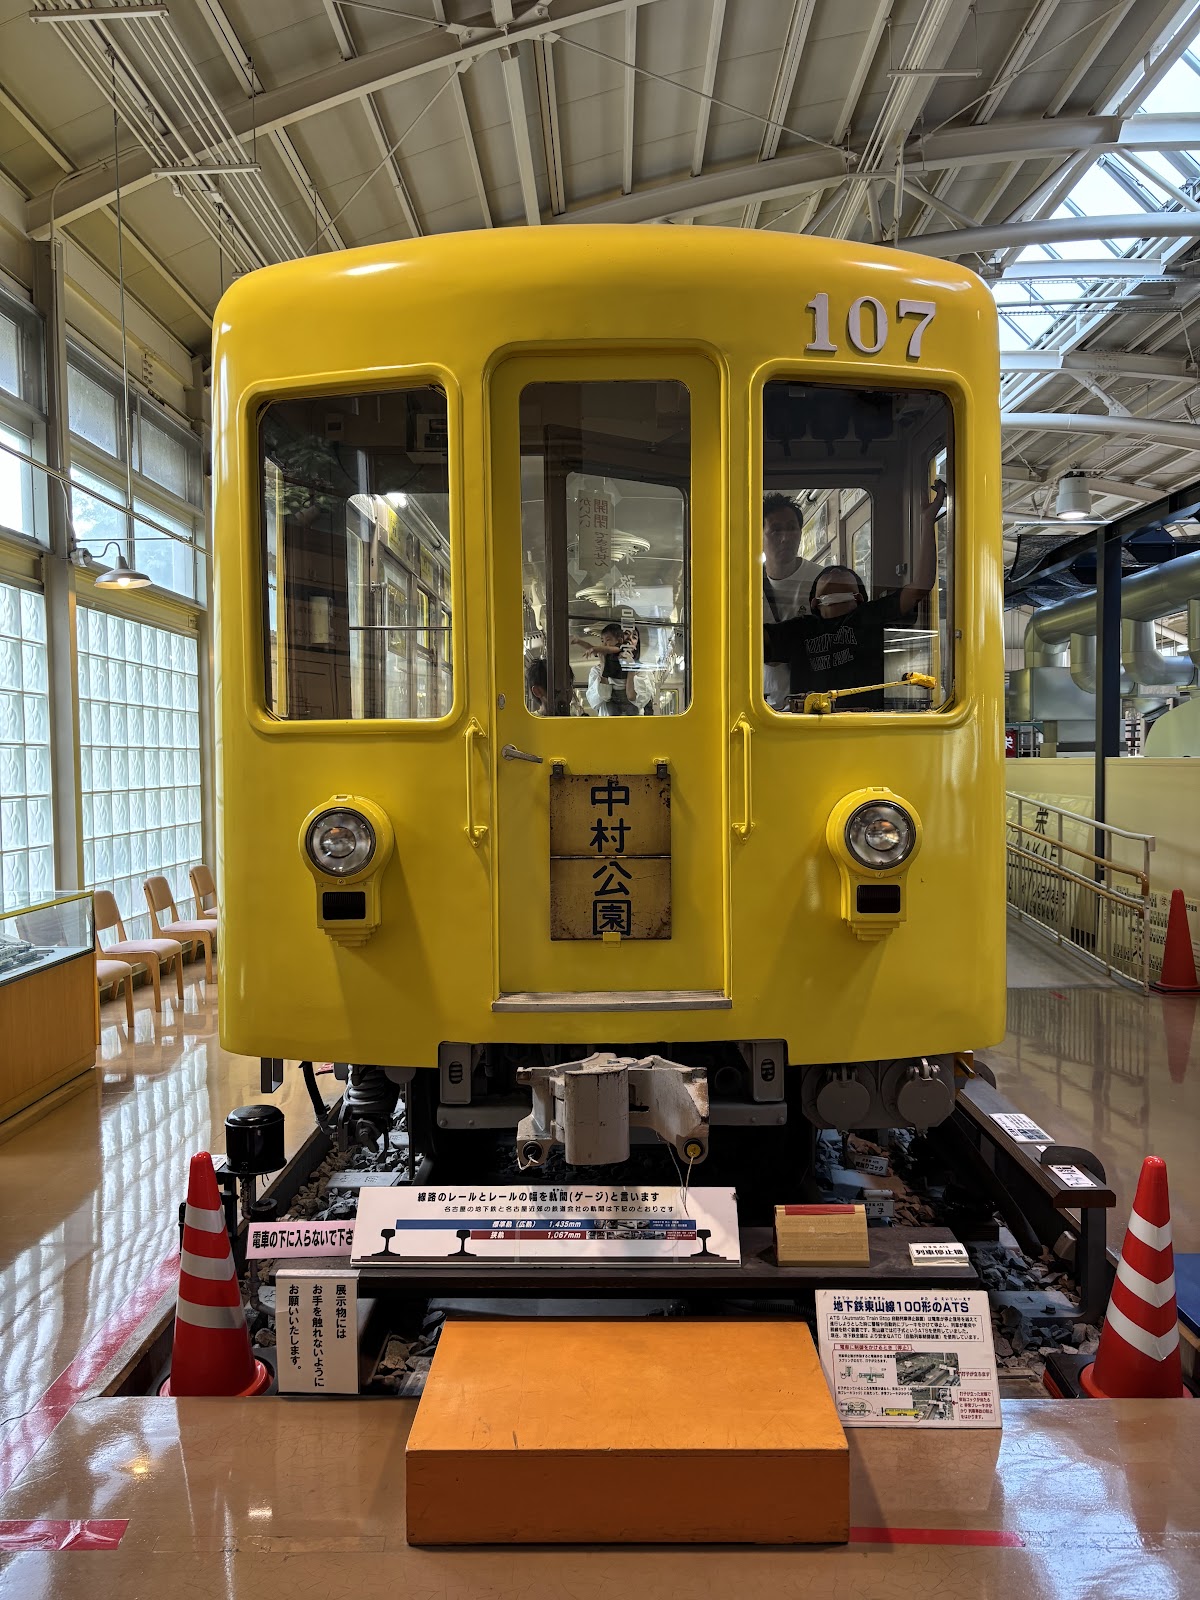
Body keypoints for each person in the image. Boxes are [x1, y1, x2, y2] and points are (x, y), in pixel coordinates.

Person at [764, 480, 946, 711]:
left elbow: (921, 584)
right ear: (814, 602)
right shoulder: (801, 629)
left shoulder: (868, 616)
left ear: (858, 597)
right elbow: (750, 639)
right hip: (809, 726)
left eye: (842, 575)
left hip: (863, 723)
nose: (834, 572)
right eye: (829, 575)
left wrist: (927, 521)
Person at [761, 493, 824, 710]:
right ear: (759, 536)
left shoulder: (823, 580)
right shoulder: (745, 588)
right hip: (764, 707)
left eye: (792, 528)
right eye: (776, 530)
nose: (785, 537)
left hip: (816, 704)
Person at [586, 622, 652, 715]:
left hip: (634, 725)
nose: (629, 639)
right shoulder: (596, 670)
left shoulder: (642, 670)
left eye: (634, 637)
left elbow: (633, 697)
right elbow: (600, 699)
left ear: (636, 644)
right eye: (626, 634)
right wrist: (604, 665)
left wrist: (631, 669)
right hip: (608, 726)